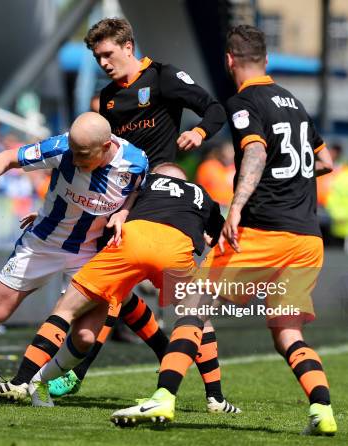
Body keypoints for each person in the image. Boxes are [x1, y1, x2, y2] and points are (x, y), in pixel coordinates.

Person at [116, 25, 335, 435]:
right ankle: (322, 411)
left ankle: (163, 400)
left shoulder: (244, 102)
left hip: (264, 232)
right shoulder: (297, 106)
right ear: (266, 60)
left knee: (193, 305)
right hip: (307, 238)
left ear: (229, 60)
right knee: (287, 331)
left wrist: (236, 206)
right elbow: (324, 164)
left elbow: (254, 150)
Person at [48, 17, 237, 415]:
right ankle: (93, 369)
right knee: (111, 293)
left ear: (128, 46)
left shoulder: (165, 77)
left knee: (182, 301)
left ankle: (213, 392)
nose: (103, 62)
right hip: (120, 202)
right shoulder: (108, 98)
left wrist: (200, 133)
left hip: (163, 200)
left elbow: (215, 108)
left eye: (107, 54)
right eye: (97, 56)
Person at [0, 163, 224, 410]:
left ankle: (22, 381)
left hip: (130, 242)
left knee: (67, 309)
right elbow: (221, 237)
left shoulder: (142, 183)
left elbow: (96, 209)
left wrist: (51, 220)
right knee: (198, 318)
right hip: (175, 254)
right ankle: (215, 397)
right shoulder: (200, 193)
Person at [0, 112, 148, 379]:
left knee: (84, 337)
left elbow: (138, 190)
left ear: (105, 147)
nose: (75, 159)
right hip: (43, 242)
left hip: (90, 254)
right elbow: (8, 158)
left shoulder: (135, 161)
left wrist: (124, 212)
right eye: (73, 151)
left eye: (83, 153)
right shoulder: (61, 148)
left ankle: (40, 381)